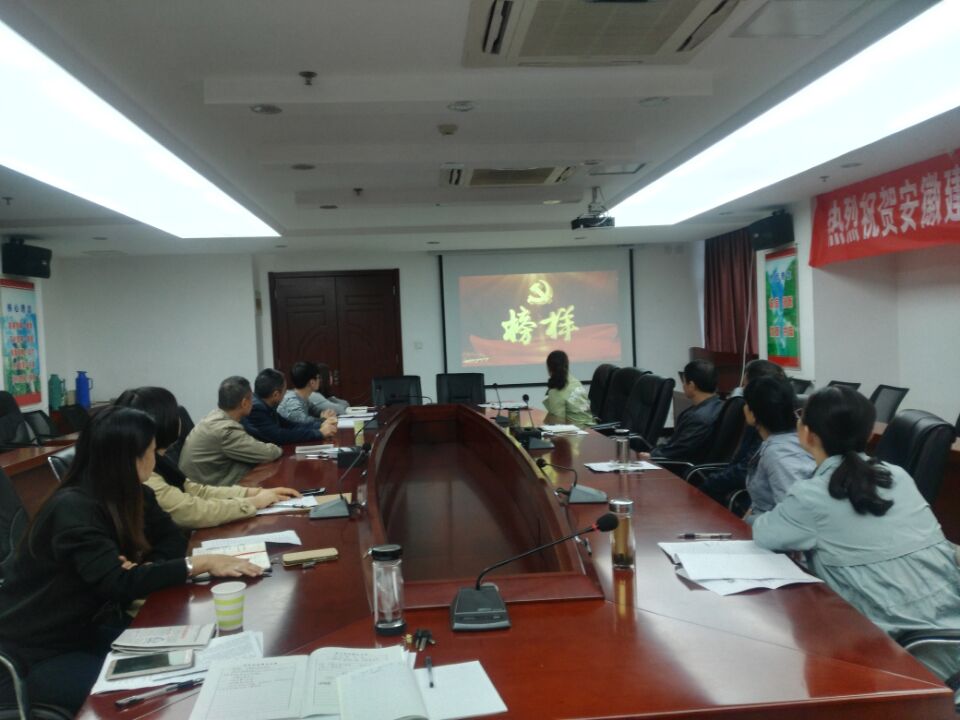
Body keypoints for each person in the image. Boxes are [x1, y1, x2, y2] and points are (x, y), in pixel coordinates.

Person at [0, 406, 263, 713]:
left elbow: (172, 539)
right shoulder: (72, 508)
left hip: (84, 630)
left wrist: (145, 569)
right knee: (147, 697)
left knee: (189, 660)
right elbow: (117, 583)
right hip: (35, 651)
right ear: (130, 458)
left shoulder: (130, 493)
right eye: (151, 451)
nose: (157, 458)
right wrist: (197, 565)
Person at [753, 386, 960, 690]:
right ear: (867, 433)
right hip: (950, 627)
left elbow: (763, 533)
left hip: (910, 656)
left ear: (807, 434)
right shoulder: (898, 476)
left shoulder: (811, 496)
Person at [116, 386, 301, 529]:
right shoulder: (144, 475)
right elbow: (190, 511)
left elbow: (196, 490)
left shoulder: (158, 460)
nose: (179, 416)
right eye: (175, 413)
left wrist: (253, 493)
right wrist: (253, 502)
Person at [698, 359, 785, 507]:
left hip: (750, 501)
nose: (742, 392)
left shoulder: (772, 436)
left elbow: (744, 471)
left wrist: (710, 483)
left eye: (744, 386)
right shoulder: (758, 424)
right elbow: (739, 463)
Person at [179, 376, 283, 486]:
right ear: (244, 403)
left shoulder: (215, 416)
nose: (253, 402)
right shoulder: (226, 430)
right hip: (204, 489)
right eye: (251, 399)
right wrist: (278, 448)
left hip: (203, 479)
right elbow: (268, 454)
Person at [740, 375, 815, 522]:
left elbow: (794, 516)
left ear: (753, 414)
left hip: (770, 531)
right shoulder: (787, 439)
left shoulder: (779, 454)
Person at [639, 359, 723, 463]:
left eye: (684, 382)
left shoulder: (699, 417)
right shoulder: (718, 405)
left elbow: (679, 450)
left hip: (681, 467)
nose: (683, 385)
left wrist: (652, 455)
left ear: (691, 385)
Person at [243, 368, 333, 445]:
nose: (286, 394)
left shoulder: (266, 404)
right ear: (276, 394)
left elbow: (289, 425)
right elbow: (280, 435)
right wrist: (319, 433)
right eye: (284, 391)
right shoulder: (256, 408)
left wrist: (320, 424)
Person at [278, 361, 341, 429]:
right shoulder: (292, 401)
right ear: (312, 382)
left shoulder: (303, 397)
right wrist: (323, 419)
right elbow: (303, 422)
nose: (320, 380)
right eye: (318, 377)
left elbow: (315, 411)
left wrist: (326, 413)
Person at [543, 350, 593, 428]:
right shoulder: (575, 381)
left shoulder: (555, 390)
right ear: (567, 365)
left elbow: (558, 423)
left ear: (549, 368)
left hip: (576, 431)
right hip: (591, 428)